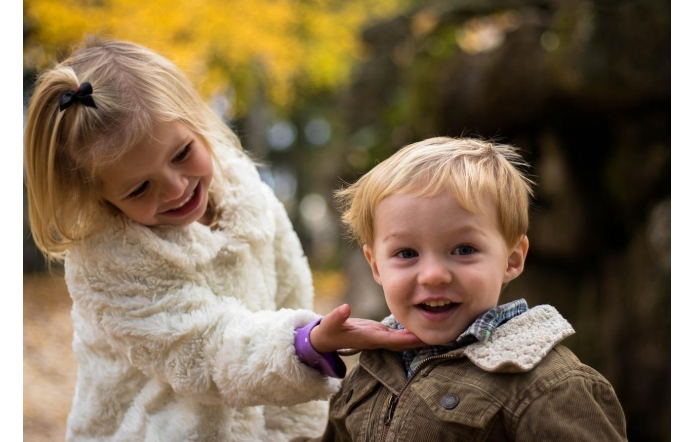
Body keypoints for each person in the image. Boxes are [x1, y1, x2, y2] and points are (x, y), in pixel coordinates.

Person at [23, 37, 422, 441]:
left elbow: (289, 290)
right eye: (140, 188)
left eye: (181, 154)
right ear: (100, 196)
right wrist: (304, 344)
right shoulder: (107, 260)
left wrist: (295, 425)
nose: (175, 188)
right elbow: (202, 352)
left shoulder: (246, 195)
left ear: (198, 122)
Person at [292, 137, 628, 441]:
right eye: (407, 254)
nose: (433, 275)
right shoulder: (372, 368)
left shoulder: (550, 386)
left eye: (464, 250)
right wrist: (307, 346)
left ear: (511, 260)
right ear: (376, 266)